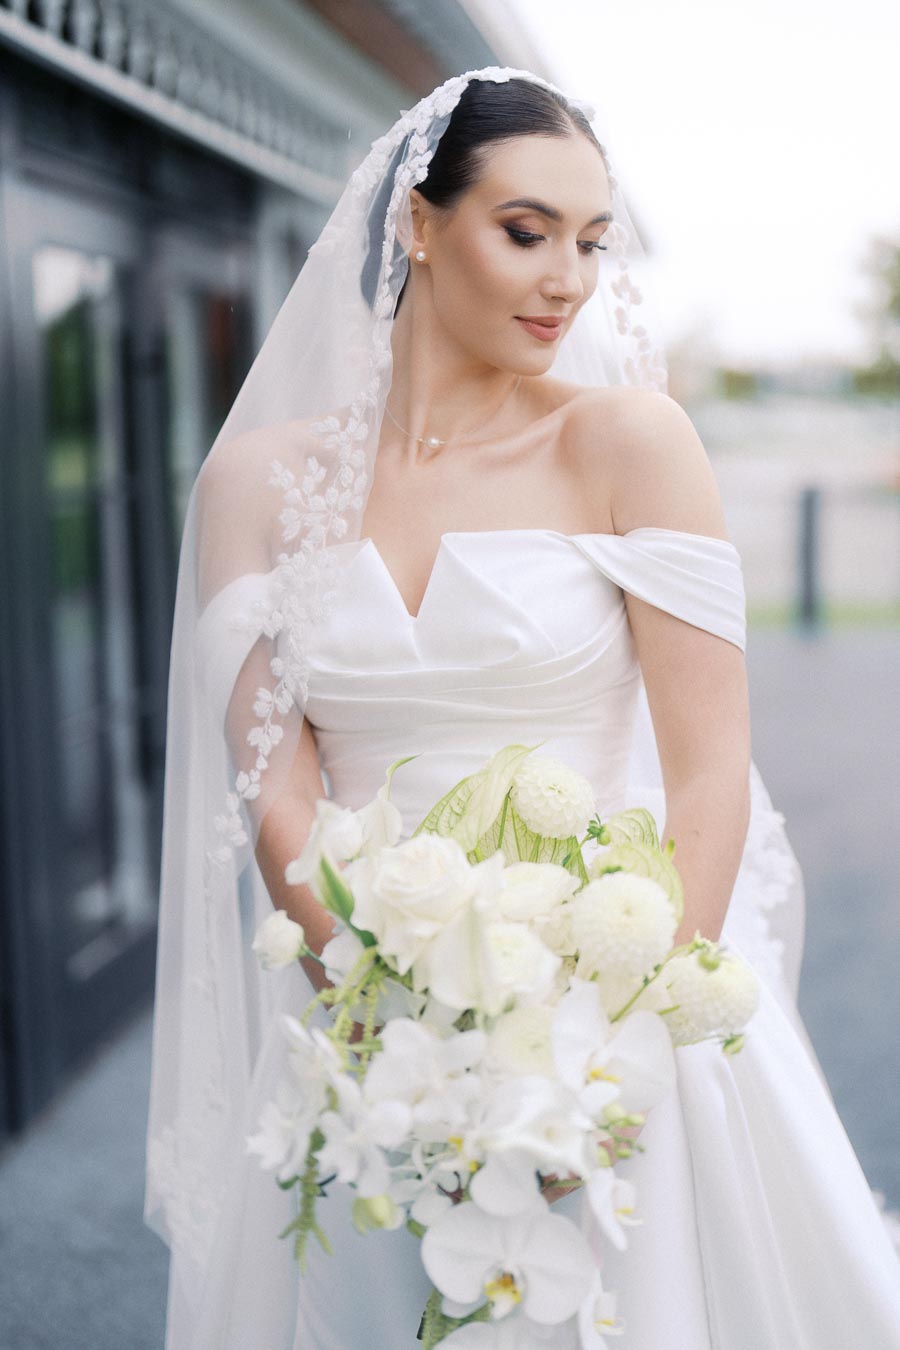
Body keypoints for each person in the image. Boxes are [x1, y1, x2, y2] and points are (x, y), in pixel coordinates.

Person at [144, 67, 900, 1349]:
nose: (568, 280)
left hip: (624, 1002)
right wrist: (389, 1014)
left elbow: (710, 771)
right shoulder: (257, 482)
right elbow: (274, 780)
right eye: (526, 230)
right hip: (362, 1008)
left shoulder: (628, 443)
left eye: (592, 242)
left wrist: (625, 1047)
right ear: (418, 226)